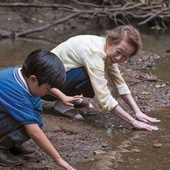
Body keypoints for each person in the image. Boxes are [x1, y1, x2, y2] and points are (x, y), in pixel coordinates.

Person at [43, 25, 160, 131]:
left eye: (125, 56)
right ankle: (62, 104)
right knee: (90, 76)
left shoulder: (105, 49)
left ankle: (71, 98)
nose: (119, 58)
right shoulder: (95, 53)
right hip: (45, 88)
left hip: (59, 80)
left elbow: (119, 83)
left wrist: (137, 111)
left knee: (93, 74)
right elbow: (103, 96)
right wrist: (133, 122)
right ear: (110, 40)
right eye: (118, 51)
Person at [0, 49, 76, 170]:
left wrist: (63, 97)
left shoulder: (21, 74)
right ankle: (2, 147)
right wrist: (58, 159)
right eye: (47, 88)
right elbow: (34, 132)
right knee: (33, 123)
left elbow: (47, 85)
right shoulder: (16, 92)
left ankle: (11, 143)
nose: (48, 91)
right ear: (33, 79)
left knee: (34, 114)